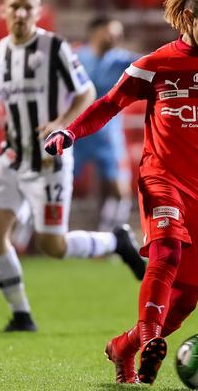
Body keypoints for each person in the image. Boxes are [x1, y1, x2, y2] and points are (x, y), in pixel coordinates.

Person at [44, 0, 198, 384]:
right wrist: (70, 132)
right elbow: (109, 104)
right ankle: (150, 337)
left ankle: (124, 346)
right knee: (166, 252)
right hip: (161, 177)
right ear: (189, 18)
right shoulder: (155, 65)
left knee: (185, 303)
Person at [0, 0, 146, 333]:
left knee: (53, 245)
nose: (20, 13)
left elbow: (86, 92)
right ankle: (21, 314)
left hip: (50, 158)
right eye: (14, 6)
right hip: (12, 157)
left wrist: (61, 123)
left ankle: (116, 242)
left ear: (37, 11)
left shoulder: (55, 48)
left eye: (27, 7)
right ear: (3, 10)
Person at [73, 16, 141, 232]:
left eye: (119, 35)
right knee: (53, 184)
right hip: (77, 133)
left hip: (108, 134)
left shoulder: (119, 59)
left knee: (120, 190)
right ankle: (29, 238)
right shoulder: (76, 58)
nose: (116, 38)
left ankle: (110, 237)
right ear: (96, 31)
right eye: (112, 32)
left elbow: (146, 62)